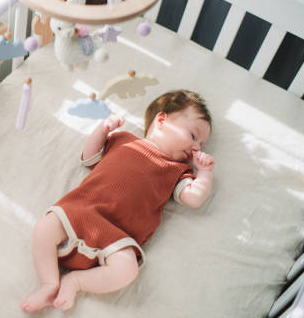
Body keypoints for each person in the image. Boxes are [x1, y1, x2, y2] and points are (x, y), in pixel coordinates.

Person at [20, 89, 215, 312]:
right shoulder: (123, 140)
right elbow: (88, 158)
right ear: (162, 120)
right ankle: (49, 283)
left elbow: (194, 198)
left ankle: (74, 281)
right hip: (81, 211)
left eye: (201, 143)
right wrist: (102, 131)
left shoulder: (179, 171)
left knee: (128, 269)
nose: (197, 147)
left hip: (116, 235)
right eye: (193, 136)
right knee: (46, 226)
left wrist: (205, 173)